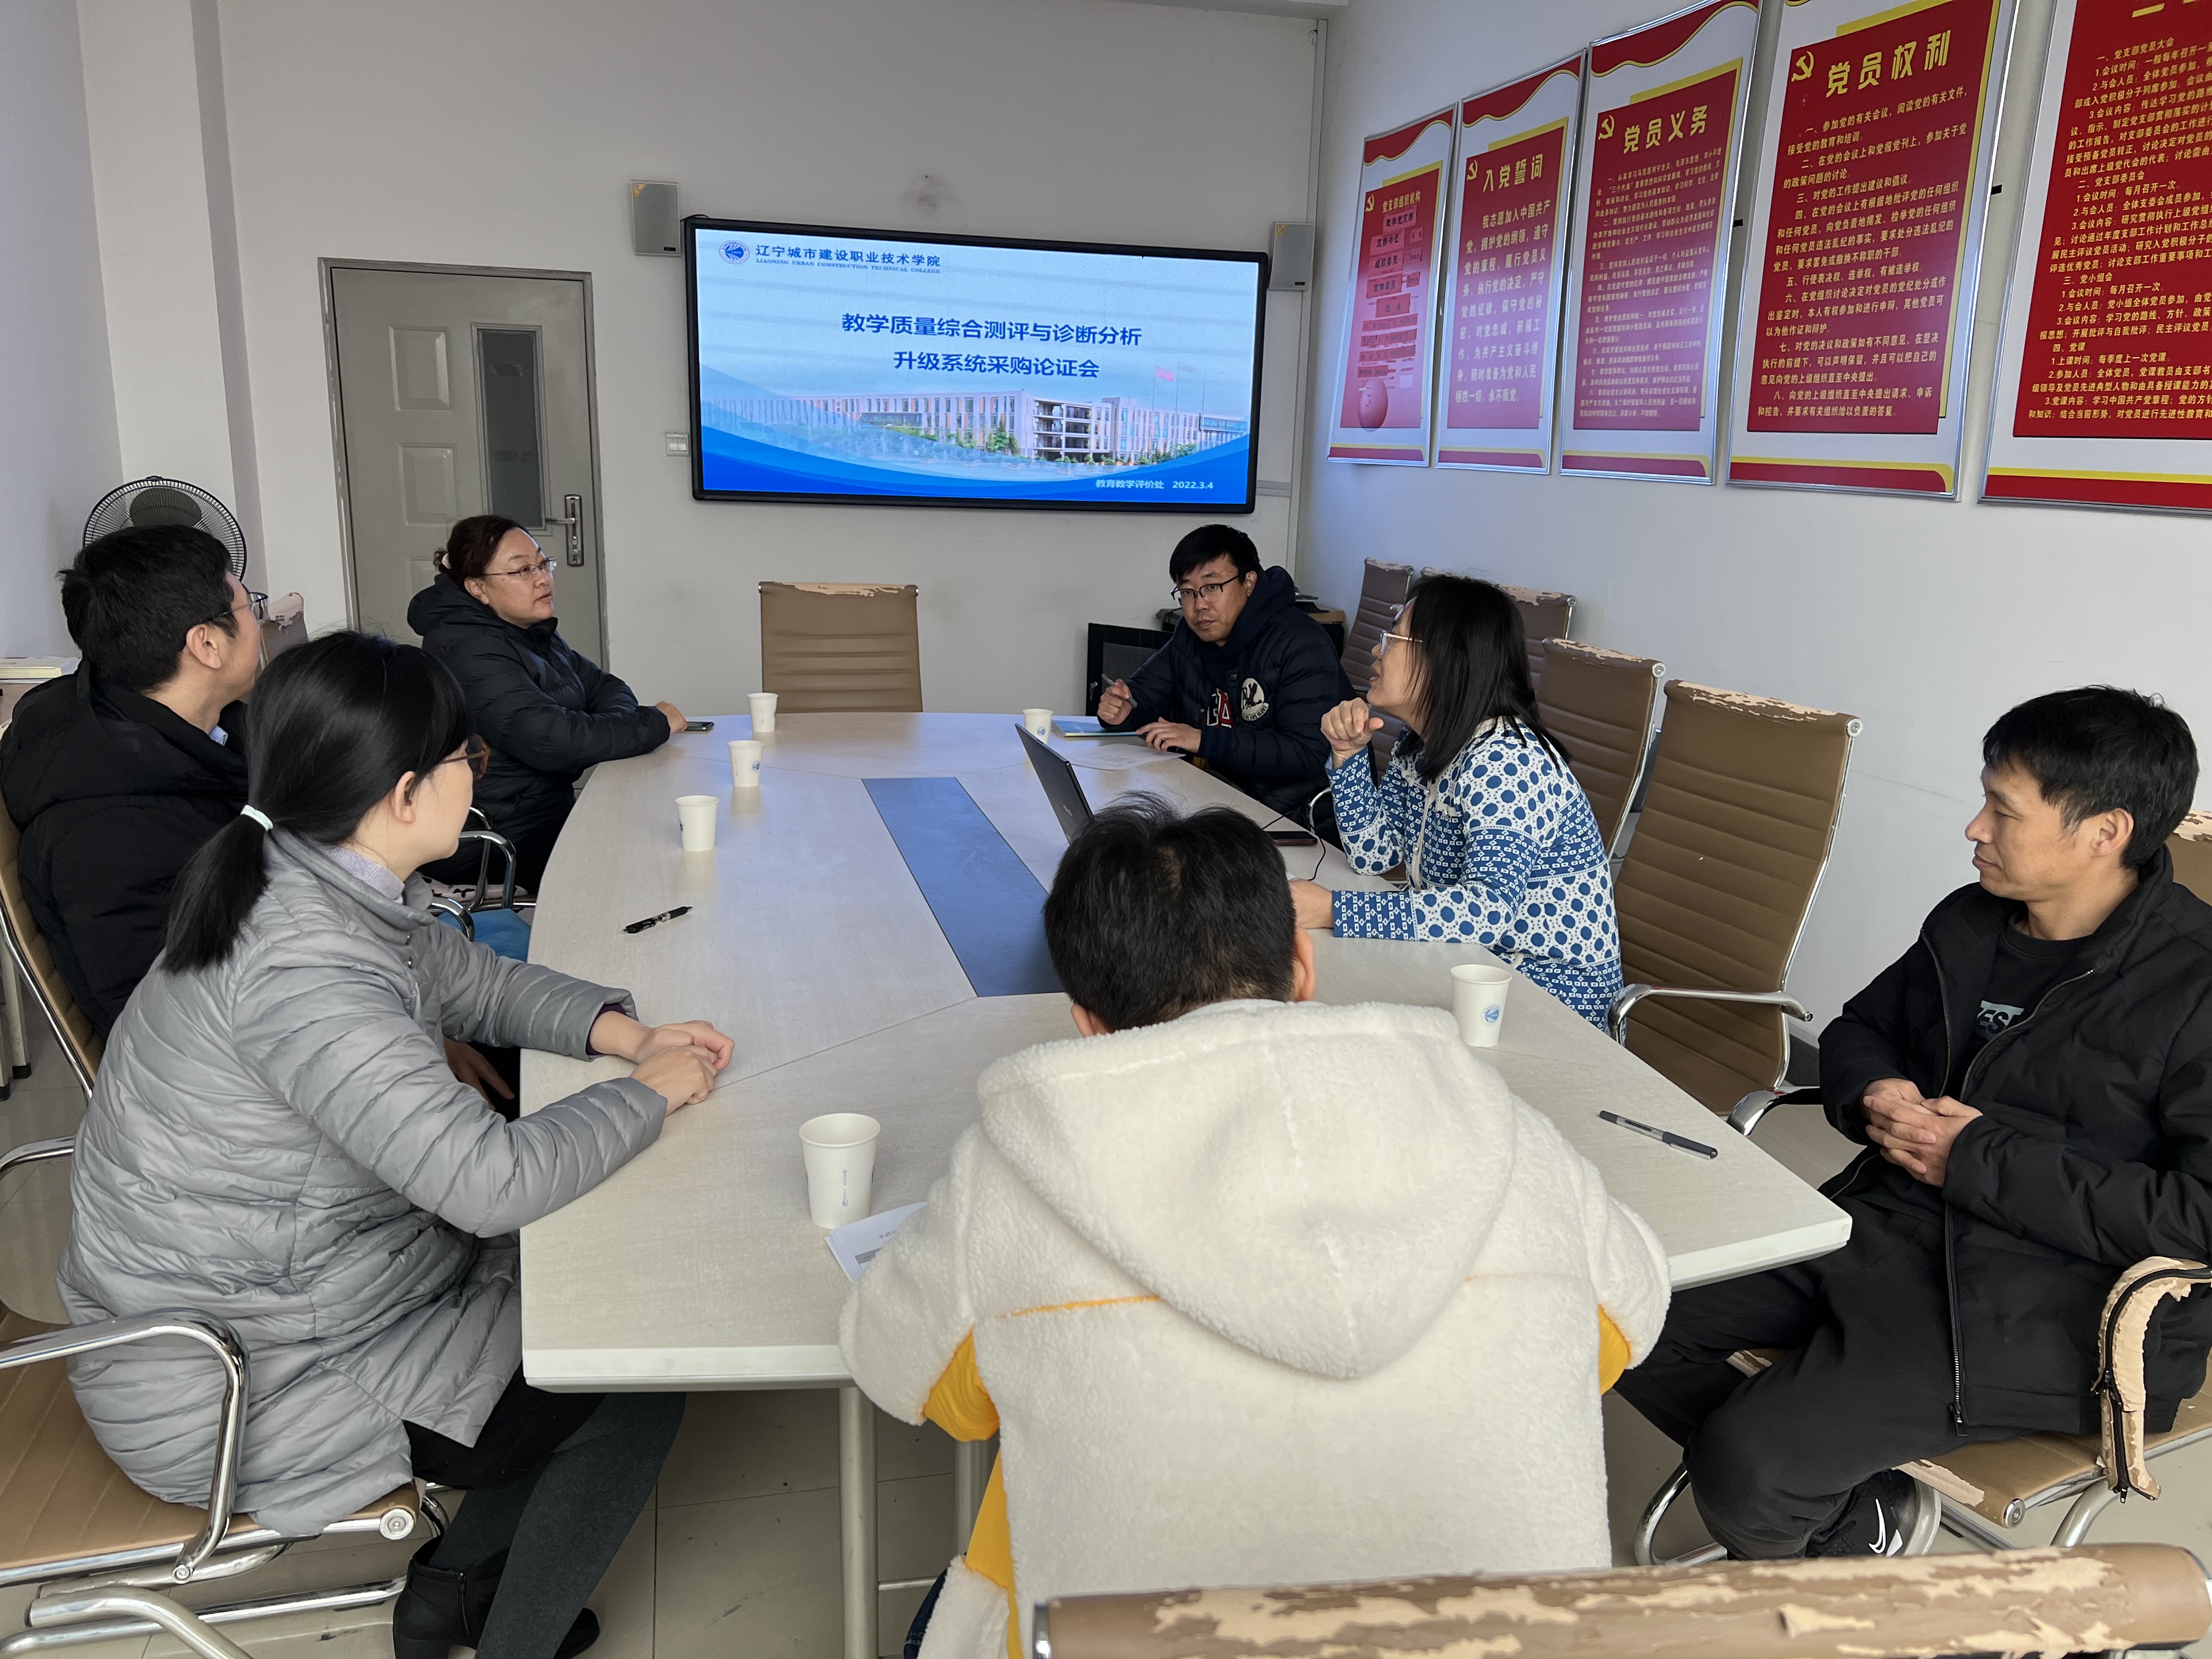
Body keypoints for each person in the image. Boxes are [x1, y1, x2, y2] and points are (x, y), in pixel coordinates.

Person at [842, 798, 1669, 1659]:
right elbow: (1625, 1326)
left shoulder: (1011, 1169)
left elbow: (913, 1376)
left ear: (1086, 1022)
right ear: (1303, 966)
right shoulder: (1509, 1133)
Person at [58, 632, 735, 1659]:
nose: (480, 773)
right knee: (635, 1358)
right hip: (243, 1382)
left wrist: (621, 1032)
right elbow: (487, 1182)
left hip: (300, 1298)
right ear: (404, 793)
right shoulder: (303, 969)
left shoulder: (305, 872)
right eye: (468, 755)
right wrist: (645, 1095)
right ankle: (506, 1633)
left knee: (599, 1287)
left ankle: (452, 1592)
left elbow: (469, 981)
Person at [1616, 686, 2212, 1559]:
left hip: (2052, 1308)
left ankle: (1830, 1529)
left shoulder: (2194, 985)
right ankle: (1850, 1506)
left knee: (1750, 1470)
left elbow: (2200, 1216)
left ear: (2104, 832)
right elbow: (1862, 1028)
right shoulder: (1972, 920)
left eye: (2003, 811)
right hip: (1893, 1227)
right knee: (1616, 1307)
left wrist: (1974, 1158)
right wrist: (1877, 1089)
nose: (1975, 828)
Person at [1292, 574, 1621, 1027]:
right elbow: (1375, 856)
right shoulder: (1421, 743)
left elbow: (1485, 911)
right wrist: (1347, 756)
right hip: (1468, 971)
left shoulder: (1507, 761)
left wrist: (1334, 908)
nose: (1376, 651)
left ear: (1445, 656)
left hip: (1550, 1003)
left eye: (1393, 639)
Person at [0, 524, 257, 1036]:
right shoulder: (108, 837)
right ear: (207, 643)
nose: (259, 623)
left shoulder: (201, 725)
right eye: (252, 607)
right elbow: (179, 1028)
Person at [409, 515, 684, 892]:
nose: (543, 579)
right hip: (500, 838)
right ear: (478, 588)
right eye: (523, 570)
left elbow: (605, 686)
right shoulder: (469, 649)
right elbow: (557, 742)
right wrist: (654, 724)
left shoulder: (526, 630)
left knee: (660, 828)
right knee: (651, 856)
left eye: (543, 564)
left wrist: (602, 727)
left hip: (541, 813)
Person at [1094, 524, 1351, 822]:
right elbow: (1144, 694)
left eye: (1212, 587)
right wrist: (1123, 711)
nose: (1199, 605)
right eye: (1188, 592)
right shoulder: (1189, 636)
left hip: (1296, 816)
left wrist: (1204, 740)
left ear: (1249, 583)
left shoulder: (1299, 642)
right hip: (1217, 796)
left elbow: (1306, 753)